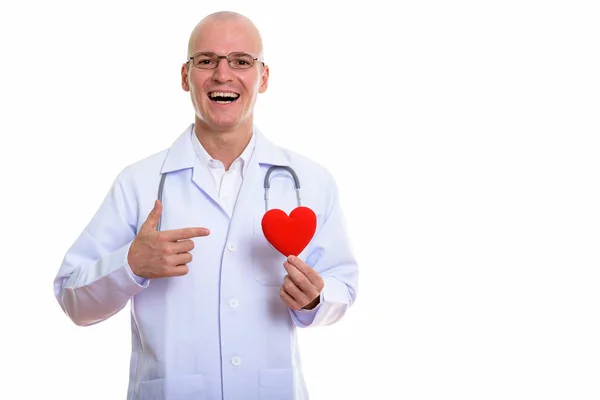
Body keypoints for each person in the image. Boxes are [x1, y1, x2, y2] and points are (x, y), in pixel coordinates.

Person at [53, 10, 358, 400]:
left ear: (263, 77)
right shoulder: (139, 182)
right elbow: (72, 298)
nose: (222, 74)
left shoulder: (312, 182)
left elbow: (343, 287)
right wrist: (130, 265)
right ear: (185, 77)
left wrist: (316, 299)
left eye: (241, 61)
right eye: (206, 60)